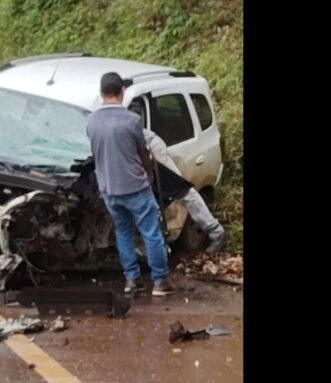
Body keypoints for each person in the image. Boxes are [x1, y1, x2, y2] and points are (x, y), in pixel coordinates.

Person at [86, 72, 175, 296]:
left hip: (109, 190)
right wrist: (150, 175)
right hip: (135, 187)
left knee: (123, 232)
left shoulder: (91, 121)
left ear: (101, 92)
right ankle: (160, 282)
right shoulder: (132, 120)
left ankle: (132, 280)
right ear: (122, 92)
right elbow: (143, 153)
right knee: (151, 233)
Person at [128, 98, 226, 253]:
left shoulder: (110, 112)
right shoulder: (99, 116)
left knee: (180, 189)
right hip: (135, 154)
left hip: (150, 147)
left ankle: (215, 231)